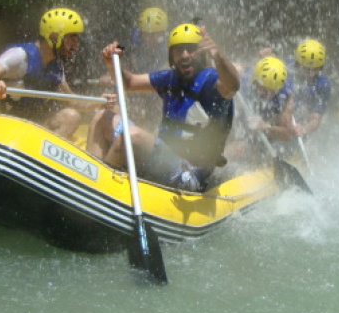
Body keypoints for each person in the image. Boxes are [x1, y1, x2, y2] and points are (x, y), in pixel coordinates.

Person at [86, 22, 239, 192]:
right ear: (171, 56)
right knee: (102, 116)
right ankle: (89, 180)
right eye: (178, 50)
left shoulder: (212, 81)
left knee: (131, 137)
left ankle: (100, 192)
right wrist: (111, 63)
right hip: (163, 159)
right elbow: (128, 82)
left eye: (191, 49)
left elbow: (232, 85)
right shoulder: (169, 78)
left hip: (189, 173)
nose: (185, 55)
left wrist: (218, 56)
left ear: (202, 53)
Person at [0, 7, 85, 139]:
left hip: (30, 127)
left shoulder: (56, 67)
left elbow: (72, 101)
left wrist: (103, 102)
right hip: (3, 124)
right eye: (71, 40)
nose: (76, 46)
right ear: (54, 37)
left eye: (77, 41)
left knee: (72, 117)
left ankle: (42, 157)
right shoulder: (20, 56)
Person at [241, 56, 296, 143]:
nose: (268, 95)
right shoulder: (244, 77)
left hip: (268, 128)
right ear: (255, 81)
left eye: (273, 91)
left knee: (239, 148)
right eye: (265, 90)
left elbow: (287, 135)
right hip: (242, 119)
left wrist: (265, 126)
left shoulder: (286, 96)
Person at [291, 39, 331, 137]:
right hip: (281, 117)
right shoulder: (286, 70)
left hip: (302, 119)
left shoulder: (323, 85)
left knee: (304, 110)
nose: (310, 73)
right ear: (298, 64)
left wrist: (304, 130)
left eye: (315, 69)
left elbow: (316, 119)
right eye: (306, 68)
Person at [129, 7, 169, 72]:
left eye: (153, 34)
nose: (148, 39)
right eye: (145, 34)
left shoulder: (168, 44)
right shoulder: (136, 39)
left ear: (163, 33)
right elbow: (132, 62)